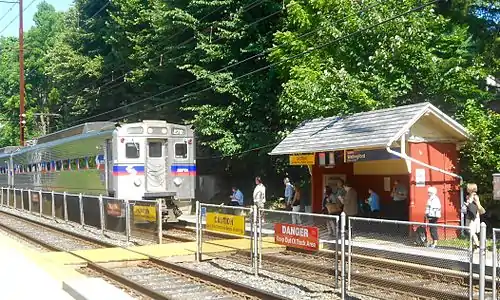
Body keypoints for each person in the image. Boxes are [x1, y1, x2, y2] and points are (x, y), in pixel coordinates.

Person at [461, 183, 485, 249]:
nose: (467, 189)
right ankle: (474, 245)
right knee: (469, 230)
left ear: (471, 189)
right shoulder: (468, 196)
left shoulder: (475, 196)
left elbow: (478, 205)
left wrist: (472, 203)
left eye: (468, 188)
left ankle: (477, 245)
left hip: (474, 216)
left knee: (472, 231)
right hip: (469, 215)